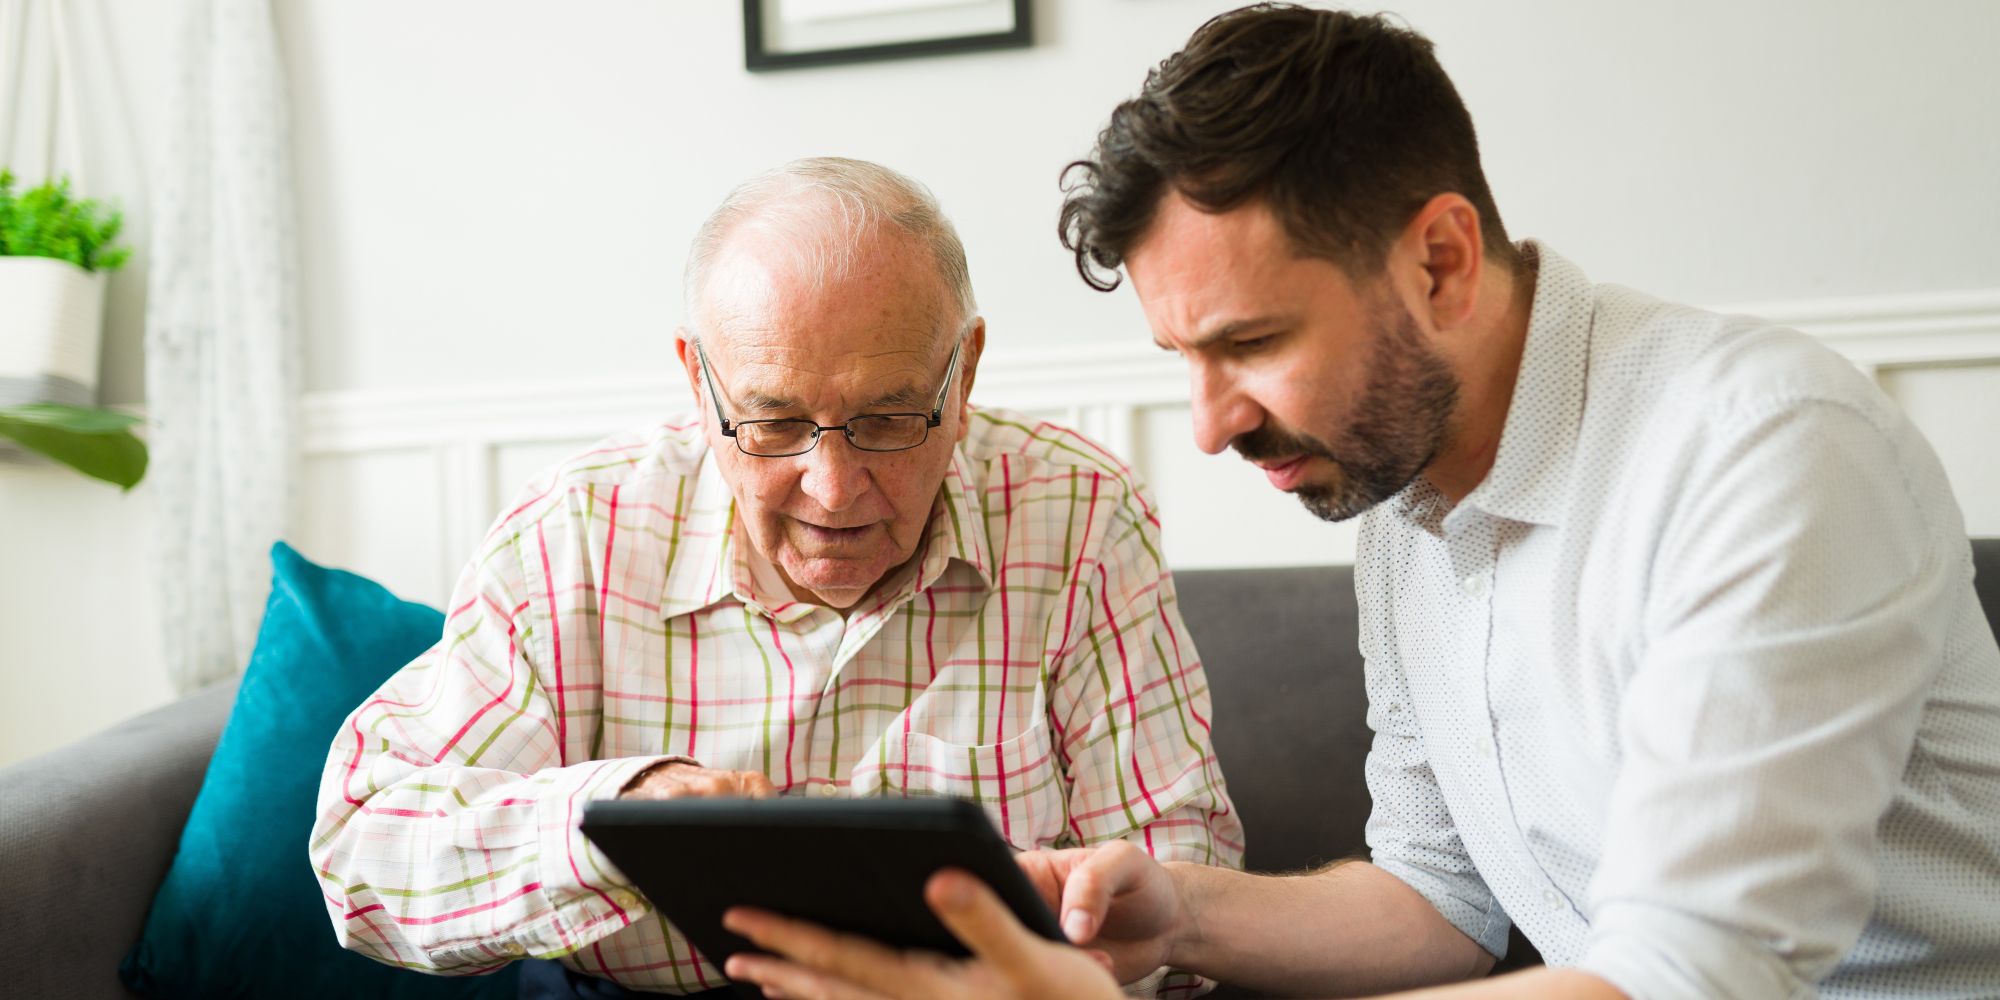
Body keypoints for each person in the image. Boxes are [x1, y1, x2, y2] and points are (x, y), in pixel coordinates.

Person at [717, 7, 2000, 1000]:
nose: (1211, 424)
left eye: (1252, 342)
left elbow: (1684, 975)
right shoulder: (1396, 486)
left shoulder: (1761, 451)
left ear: (1438, 259)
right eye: (1183, 360)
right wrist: (1173, 912)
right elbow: (1439, 898)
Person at [308, 157, 1242, 998]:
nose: (833, 490)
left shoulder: (1077, 515)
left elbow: (1181, 876)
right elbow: (362, 848)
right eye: (773, 424)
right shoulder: (576, 532)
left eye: (887, 419)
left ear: (963, 378)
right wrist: (617, 818)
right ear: (696, 380)